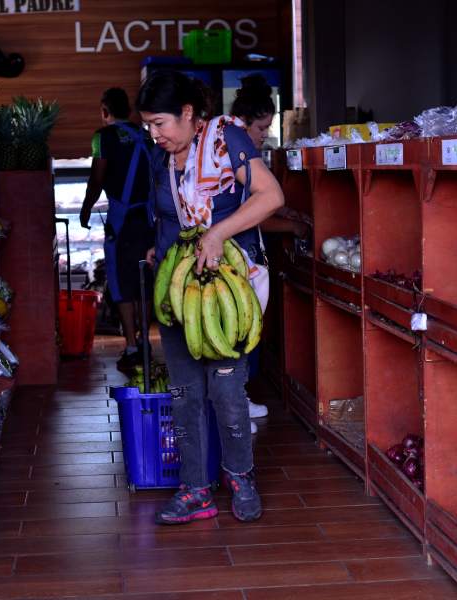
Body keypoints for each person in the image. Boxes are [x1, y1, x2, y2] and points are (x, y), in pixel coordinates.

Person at [138, 70, 284, 523]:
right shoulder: (161, 157)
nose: (154, 133)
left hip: (226, 292)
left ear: (187, 113)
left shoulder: (227, 137)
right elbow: (167, 216)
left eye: (159, 123)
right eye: (147, 125)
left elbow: (270, 195)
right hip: (181, 292)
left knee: (225, 389)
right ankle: (195, 488)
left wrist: (218, 232)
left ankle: (241, 476)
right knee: (184, 393)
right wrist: (159, 251)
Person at [230, 74, 311, 432]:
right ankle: (234, 403)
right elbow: (245, 218)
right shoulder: (233, 155)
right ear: (243, 124)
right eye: (261, 127)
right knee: (238, 331)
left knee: (247, 330)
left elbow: (259, 204)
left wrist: (283, 212)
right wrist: (290, 226)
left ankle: (238, 398)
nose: (265, 134)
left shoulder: (246, 158)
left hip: (248, 255)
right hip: (237, 256)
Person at [80, 88, 154, 373]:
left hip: (121, 221)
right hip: (148, 219)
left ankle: (133, 346)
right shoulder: (147, 135)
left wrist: (87, 208)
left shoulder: (103, 137)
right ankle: (146, 342)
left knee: (121, 283)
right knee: (144, 281)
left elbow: (97, 177)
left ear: (104, 110)